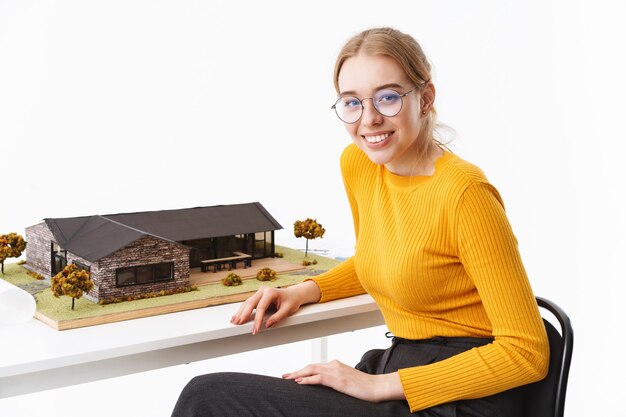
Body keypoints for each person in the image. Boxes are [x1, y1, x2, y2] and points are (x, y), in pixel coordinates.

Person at [171, 27, 549, 417]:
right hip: (402, 367)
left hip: (464, 393)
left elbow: (526, 352)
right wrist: (305, 290)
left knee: (208, 397)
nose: (368, 120)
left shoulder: (464, 193)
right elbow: (383, 257)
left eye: (387, 98)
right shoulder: (360, 165)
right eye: (352, 102)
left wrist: (379, 385)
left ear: (425, 99)